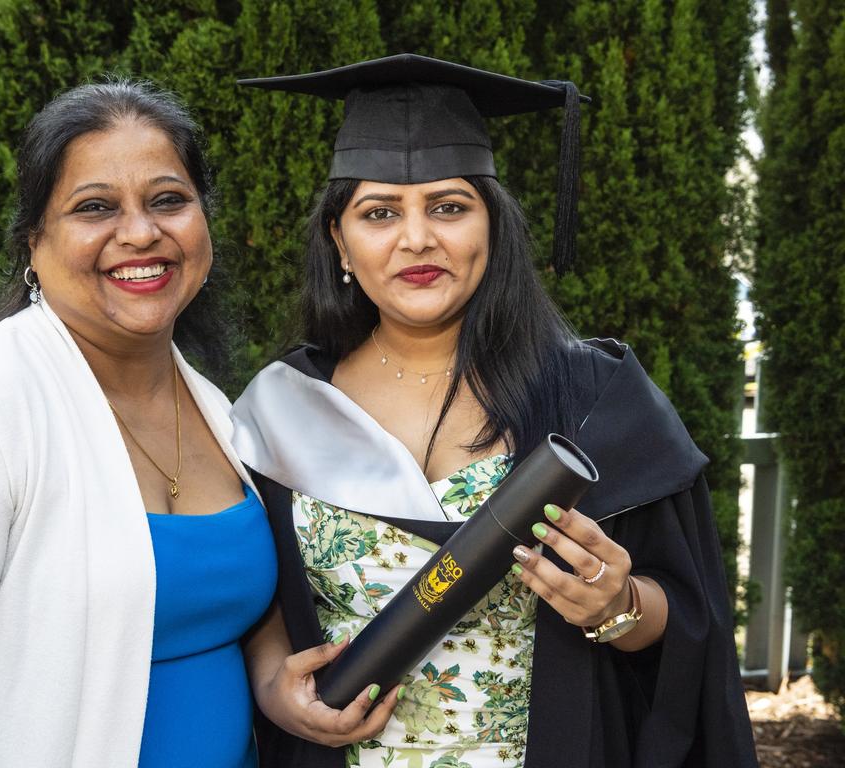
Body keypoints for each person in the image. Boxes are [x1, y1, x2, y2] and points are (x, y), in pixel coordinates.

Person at [233, 55, 758, 767]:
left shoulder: (592, 398)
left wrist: (619, 605)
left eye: (449, 207)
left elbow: (686, 617)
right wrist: (273, 688)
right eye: (379, 212)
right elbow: (253, 604)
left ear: (493, 225)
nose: (416, 238)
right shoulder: (279, 409)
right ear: (339, 242)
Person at [0, 79, 276, 767]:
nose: (141, 232)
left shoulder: (216, 407)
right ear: (34, 243)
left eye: (169, 200)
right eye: (95, 207)